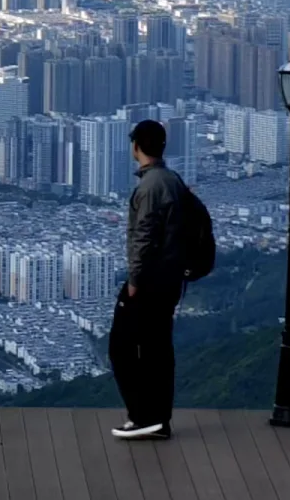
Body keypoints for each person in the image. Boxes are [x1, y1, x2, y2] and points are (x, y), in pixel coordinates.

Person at [108, 118, 199, 440]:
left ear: (136, 147)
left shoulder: (149, 187)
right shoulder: (172, 179)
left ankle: (143, 415)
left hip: (149, 281)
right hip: (170, 278)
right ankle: (157, 418)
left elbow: (144, 237)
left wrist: (134, 281)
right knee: (157, 349)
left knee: (122, 347)